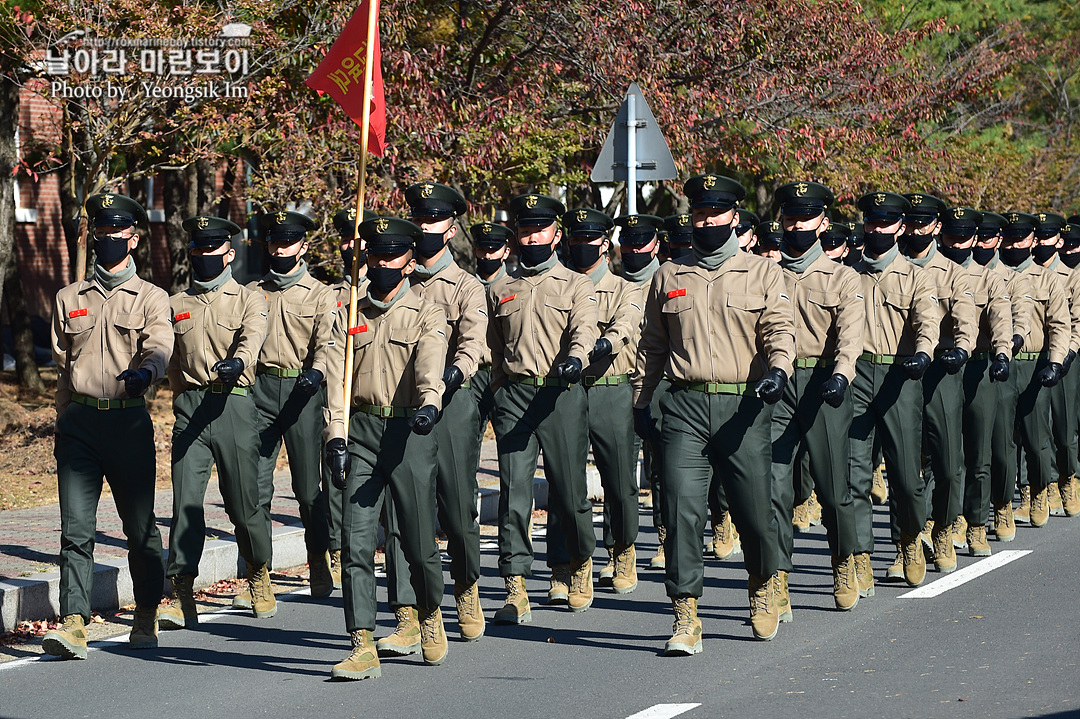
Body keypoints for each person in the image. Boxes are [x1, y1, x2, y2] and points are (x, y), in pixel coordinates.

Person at [634, 174, 796, 652]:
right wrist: (641, 402)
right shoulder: (670, 274)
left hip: (743, 406)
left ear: (734, 217)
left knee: (753, 511)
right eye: (699, 213)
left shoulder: (763, 273)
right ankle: (686, 615)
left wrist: (779, 371)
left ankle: (763, 587)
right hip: (683, 406)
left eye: (715, 213)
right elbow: (652, 346)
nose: (706, 221)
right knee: (681, 510)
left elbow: (780, 331)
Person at [43, 192, 171, 660]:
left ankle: (146, 612)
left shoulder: (153, 298)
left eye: (117, 233)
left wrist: (146, 372)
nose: (108, 240)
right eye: (100, 233)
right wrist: (63, 416)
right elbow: (61, 365)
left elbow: (160, 346)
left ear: (133, 238)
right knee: (75, 528)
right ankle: (74, 622)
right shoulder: (68, 297)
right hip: (78, 423)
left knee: (139, 528)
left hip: (127, 422)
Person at [327, 216, 449, 680]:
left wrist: (429, 405)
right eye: (374, 254)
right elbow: (336, 383)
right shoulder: (347, 313)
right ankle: (361, 644)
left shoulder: (426, 311)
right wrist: (335, 436)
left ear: (408, 261)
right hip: (360, 433)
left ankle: (429, 612)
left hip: (409, 433)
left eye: (391, 255)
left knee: (417, 544)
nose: (381, 262)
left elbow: (430, 365)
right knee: (355, 543)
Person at [378, 182, 488, 651]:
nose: (424, 228)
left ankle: (465, 587)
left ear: (451, 228)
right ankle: (410, 610)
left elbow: (474, 344)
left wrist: (450, 377)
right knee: (401, 511)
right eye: (419, 219)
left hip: (450, 405)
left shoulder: (465, 286)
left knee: (456, 505)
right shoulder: (387, 283)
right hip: (397, 408)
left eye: (434, 220)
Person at [158, 214, 274, 628]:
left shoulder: (249, 299)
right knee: (186, 503)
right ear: (192, 252)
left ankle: (258, 570)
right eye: (199, 248)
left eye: (213, 248)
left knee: (244, 506)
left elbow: (253, 336)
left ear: (229, 253)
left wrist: (238, 362)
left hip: (234, 406)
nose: (205, 255)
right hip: (191, 408)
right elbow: (167, 357)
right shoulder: (175, 305)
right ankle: (181, 589)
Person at [487, 193, 599, 622]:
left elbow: (584, 328)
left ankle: (578, 563)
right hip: (514, 396)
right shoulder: (501, 288)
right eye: (525, 228)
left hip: (559, 393)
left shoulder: (576, 283)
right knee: (514, 494)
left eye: (540, 228)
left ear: (556, 234)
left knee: (569, 492)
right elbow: (494, 348)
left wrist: (577, 357)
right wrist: (499, 388)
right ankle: (515, 586)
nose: (532, 235)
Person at [769, 181, 864, 615]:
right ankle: (775, 577)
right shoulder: (762, 274)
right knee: (771, 489)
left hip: (823, 385)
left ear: (823, 222)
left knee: (832, 489)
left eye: (805, 218)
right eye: (790, 218)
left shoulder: (844, 277)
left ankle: (844, 561)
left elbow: (850, 337)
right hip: (776, 387)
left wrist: (842, 376)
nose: (796, 225)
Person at [240, 210, 335, 608]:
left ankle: (318, 555)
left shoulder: (320, 293)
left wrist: (316, 373)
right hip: (260, 390)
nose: (281, 249)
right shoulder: (251, 291)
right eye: (275, 242)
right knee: (254, 489)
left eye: (288, 242)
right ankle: (258, 572)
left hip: (303, 392)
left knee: (308, 489)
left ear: (303, 246)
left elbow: (328, 342)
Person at [549, 209, 646, 595]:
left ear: (605, 244)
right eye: (574, 239)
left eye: (588, 240)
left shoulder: (626, 288)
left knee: (619, 479)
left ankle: (622, 549)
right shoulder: (560, 286)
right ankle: (566, 562)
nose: (580, 246)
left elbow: (625, 326)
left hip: (610, 387)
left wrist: (600, 344)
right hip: (566, 389)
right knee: (563, 482)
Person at [847, 192, 939, 591]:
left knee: (905, 474)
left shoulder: (917, 276)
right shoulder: (847, 272)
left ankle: (909, 541)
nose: (878, 230)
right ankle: (860, 554)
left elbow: (927, 323)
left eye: (886, 223)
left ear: (900, 227)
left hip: (900, 375)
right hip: (856, 374)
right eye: (872, 222)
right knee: (854, 473)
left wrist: (923, 354)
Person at [898, 193, 976, 574]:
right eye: (910, 221)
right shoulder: (888, 268)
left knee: (946, 463)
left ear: (936, 227)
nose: (916, 229)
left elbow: (965, 317)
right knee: (902, 465)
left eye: (923, 222)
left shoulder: (953, 272)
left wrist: (962, 349)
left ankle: (943, 527)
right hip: (898, 370)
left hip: (940, 369)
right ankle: (907, 542)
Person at [936, 208, 1013, 556]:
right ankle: (943, 521)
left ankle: (977, 523)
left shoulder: (989, 279)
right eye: (951, 236)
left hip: (979, 369)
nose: (957, 243)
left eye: (964, 236)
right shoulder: (932, 274)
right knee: (942, 456)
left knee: (979, 453)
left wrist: (1002, 354)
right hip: (939, 369)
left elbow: (1001, 318)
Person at [997, 212, 1071, 529]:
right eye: (1010, 237)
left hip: (1032, 365)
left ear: (1032, 241)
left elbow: (1060, 325)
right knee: (1000, 443)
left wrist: (1055, 362)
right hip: (997, 366)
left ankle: (1039, 489)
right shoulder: (991, 275)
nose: (1015, 243)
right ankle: (1004, 503)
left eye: (1021, 238)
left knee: (1037, 441)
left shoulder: (1048, 279)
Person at [322, 206, 375, 587]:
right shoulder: (332, 295)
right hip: (340, 403)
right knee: (335, 475)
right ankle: (339, 551)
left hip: (377, 403)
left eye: (357, 239)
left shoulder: (379, 293)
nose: (349, 246)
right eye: (344, 238)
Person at [973, 211, 1032, 542]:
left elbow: (1020, 318)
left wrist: (1009, 347)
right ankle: (967, 517)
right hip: (961, 367)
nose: (981, 242)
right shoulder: (957, 273)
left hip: (998, 365)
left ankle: (1003, 504)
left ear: (997, 240)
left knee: (1000, 444)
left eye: (988, 237)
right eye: (977, 235)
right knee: (964, 449)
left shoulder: (1011, 278)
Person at [1031, 212, 1080, 519]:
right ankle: (1044, 484)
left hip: (1063, 358)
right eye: (1038, 236)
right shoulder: (1027, 273)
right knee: (1036, 429)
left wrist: (1067, 354)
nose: (1041, 242)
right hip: (1033, 357)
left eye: (1047, 237)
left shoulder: (1072, 276)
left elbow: (1077, 321)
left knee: (1064, 429)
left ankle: (1068, 478)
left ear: (1059, 241)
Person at [470, 220, 513, 442]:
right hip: (472, 374)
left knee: (509, 439)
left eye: (493, 250)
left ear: (505, 252)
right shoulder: (464, 287)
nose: (487, 256)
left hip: (504, 373)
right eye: (482, 249)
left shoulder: (516, 286)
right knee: (467, 443)